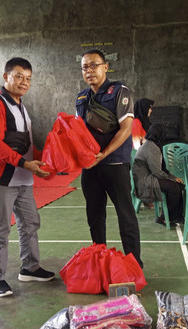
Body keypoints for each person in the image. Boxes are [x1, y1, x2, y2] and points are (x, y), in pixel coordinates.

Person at [0, 57, 55, 297]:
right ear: (6, 77)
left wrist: (46, 161)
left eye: (28, 79)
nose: (24, 82)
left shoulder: (21, 106)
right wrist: (25, 163)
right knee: (0, 229)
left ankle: (30, 267)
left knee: (30, 223)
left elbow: (25, 144)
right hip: (2, 179)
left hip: (23, 179)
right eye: (19, 76)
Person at [76, 49, 143, 268]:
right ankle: (99, 261)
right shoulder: (81, 98)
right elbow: (78, 133)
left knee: (126, 215)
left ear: (105, 67)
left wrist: (103, 154)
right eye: (85, 66)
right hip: (90, 168)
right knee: (94, 216)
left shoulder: (119, 92)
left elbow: (126, 129)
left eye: (94, 65)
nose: (89, 70)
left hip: (115, 165)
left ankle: (134, 264)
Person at [132, 123, 185, 226]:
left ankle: (175, 216)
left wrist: (173, 178)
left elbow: (159, 170)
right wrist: (172, 179)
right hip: (145, 180)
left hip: (147, 177)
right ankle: (166, 218)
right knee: (174, 187)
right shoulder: (152, 147)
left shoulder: (150, 144)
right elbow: (157, 172)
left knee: (178, 186)